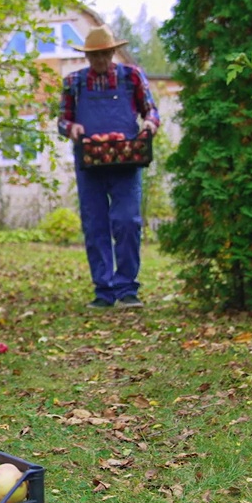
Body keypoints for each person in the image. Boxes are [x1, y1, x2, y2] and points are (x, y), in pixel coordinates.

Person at [57, 25, 161, 309]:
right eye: (94, 56)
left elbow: (150, 109)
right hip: (89, 162)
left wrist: (151, 123)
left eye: (104, 55)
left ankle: (127, 289)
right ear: (87, 56)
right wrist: (73, 128)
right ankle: (103, 291)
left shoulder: (132, 77)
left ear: (113, 52)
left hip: (126, 159)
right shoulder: (74, 82)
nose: (99, 61)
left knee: (127, 222)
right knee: (95, 226)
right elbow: (62, 120)